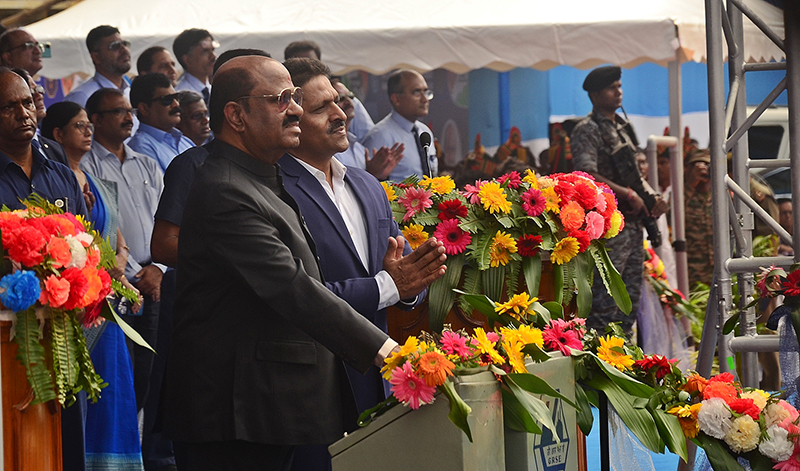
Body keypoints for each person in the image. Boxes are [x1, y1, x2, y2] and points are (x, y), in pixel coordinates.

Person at [164, 55, 428, 470]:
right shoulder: (225, 188)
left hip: (267, 409)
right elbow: (293, 288)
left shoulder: (258, 176)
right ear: (236, 115)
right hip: (234, 414)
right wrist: (391, 352)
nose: (295, 110)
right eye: (281, 99)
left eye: (296, 98)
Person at [279, 57, 445, 471]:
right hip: (308, 389)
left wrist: (409, 287)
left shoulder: (368, 184)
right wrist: (391, 284)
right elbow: (296, 294)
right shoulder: (273, 190)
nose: (340, 114)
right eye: (322, 107)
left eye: (338, 101)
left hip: (374, 377)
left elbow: (401, 275)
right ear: (292, 120)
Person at [40, 99, 145, 471]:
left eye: (89, 124)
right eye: (79, 125)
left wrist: (120, 270)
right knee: (85, 387)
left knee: (114, 384)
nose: (88, 131)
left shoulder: (97, 183)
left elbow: (118, 238)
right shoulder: (53, 182)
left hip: (106, 300)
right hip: (78, 302)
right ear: (57, 134)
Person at [81, 88, 165, 414]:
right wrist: (125, 276)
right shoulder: (86, 166)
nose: (128, 117)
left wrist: (158, 268)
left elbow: (169, 221)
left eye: (129, 111)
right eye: (118, 111)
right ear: (96, 120)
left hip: (154, 279)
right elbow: (93, 228)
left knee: (149, 372)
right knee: (121, 373)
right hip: (114, 283)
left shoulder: (146, 164)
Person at [570, 65, 667, 336]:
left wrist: (652, 196)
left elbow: (635, 174)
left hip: (632, 225)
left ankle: (622, 355)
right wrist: (628, 194)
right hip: (607, 228)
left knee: (629, 303)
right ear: (595, 95)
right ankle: (598, 356)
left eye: (620, 87)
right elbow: (587, 174)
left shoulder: (623, 128)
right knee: (604, 303)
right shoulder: (587, 130)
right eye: (612, 88)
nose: (619, 92)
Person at [0, 68, 86, 216]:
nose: (23, 114)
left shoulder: (64, 176)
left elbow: (83, 230)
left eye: (28, 103)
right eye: (9, 107)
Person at [284, 40, 375, 140]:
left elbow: (369, 137)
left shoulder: (350, 101)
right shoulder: (286, 104)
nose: (342, 115)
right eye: (320, 108)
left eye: (337, 101)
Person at [361, 69, 437, 181]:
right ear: (396, 99)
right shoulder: (379, 136)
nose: (425, 99)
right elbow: (367, 183)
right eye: (417, 92)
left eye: (426, 92)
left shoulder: (424, 131)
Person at [331, 78, 403, 179]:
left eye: (350, 96)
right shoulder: (330, 150)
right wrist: (370, 174)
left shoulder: (359, 149)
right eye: (341, 98)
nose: (349, 101)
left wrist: (378, 176)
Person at [128, 73, 194, 172]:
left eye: (176, 97)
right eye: (167, 100)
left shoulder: (184, 141)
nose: (176, 104)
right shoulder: (140, 148)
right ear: (144, 109)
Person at [64, 25, 131, 107]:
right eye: (115, 46)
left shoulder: (130, 91)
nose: (124, 49)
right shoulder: (82, 97)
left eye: (125, 44)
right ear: (96, 57)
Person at [684, 149, 713, 287]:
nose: (704, 171)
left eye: (708, 166)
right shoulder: (682, 195)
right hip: (692, 270)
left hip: (718, 268)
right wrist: (690, 185)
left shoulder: (721, 196)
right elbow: (670, 218)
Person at [174, 29, 216, 103]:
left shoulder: (214, 91)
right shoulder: (180, 96)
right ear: (187, 60)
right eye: (205, 51)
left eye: (212, 50)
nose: (213, 56)